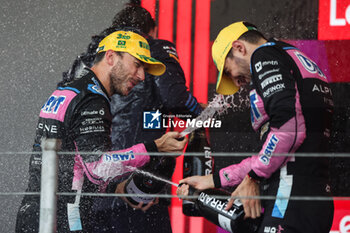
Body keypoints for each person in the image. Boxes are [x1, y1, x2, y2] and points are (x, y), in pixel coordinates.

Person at [16, 29, 188, 233]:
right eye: (137, 64)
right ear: (111, 57)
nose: (142, 76)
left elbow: (73, 164)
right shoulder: (92, 99)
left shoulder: (69, 90)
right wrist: (155, 147)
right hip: (61, 220)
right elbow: (97, 168)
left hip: (35, 214)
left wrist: (116, 188)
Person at [177, 21, 334, 233]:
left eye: (228, 71)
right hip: (311, 198)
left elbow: (289, 129)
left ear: (239, 47)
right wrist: (212, 179)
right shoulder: (291, 56)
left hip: (288, 197)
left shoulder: (264, 55)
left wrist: (254, 177)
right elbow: (272, 150)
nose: (236, 81)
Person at [61, 3, 203, 232]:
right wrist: (200, 111)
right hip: (139, 188)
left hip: (90, 194)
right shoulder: (153, 48)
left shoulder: (87, 59)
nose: (139, 73)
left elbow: (66, 126)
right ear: (150, 31)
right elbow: (175, 97)